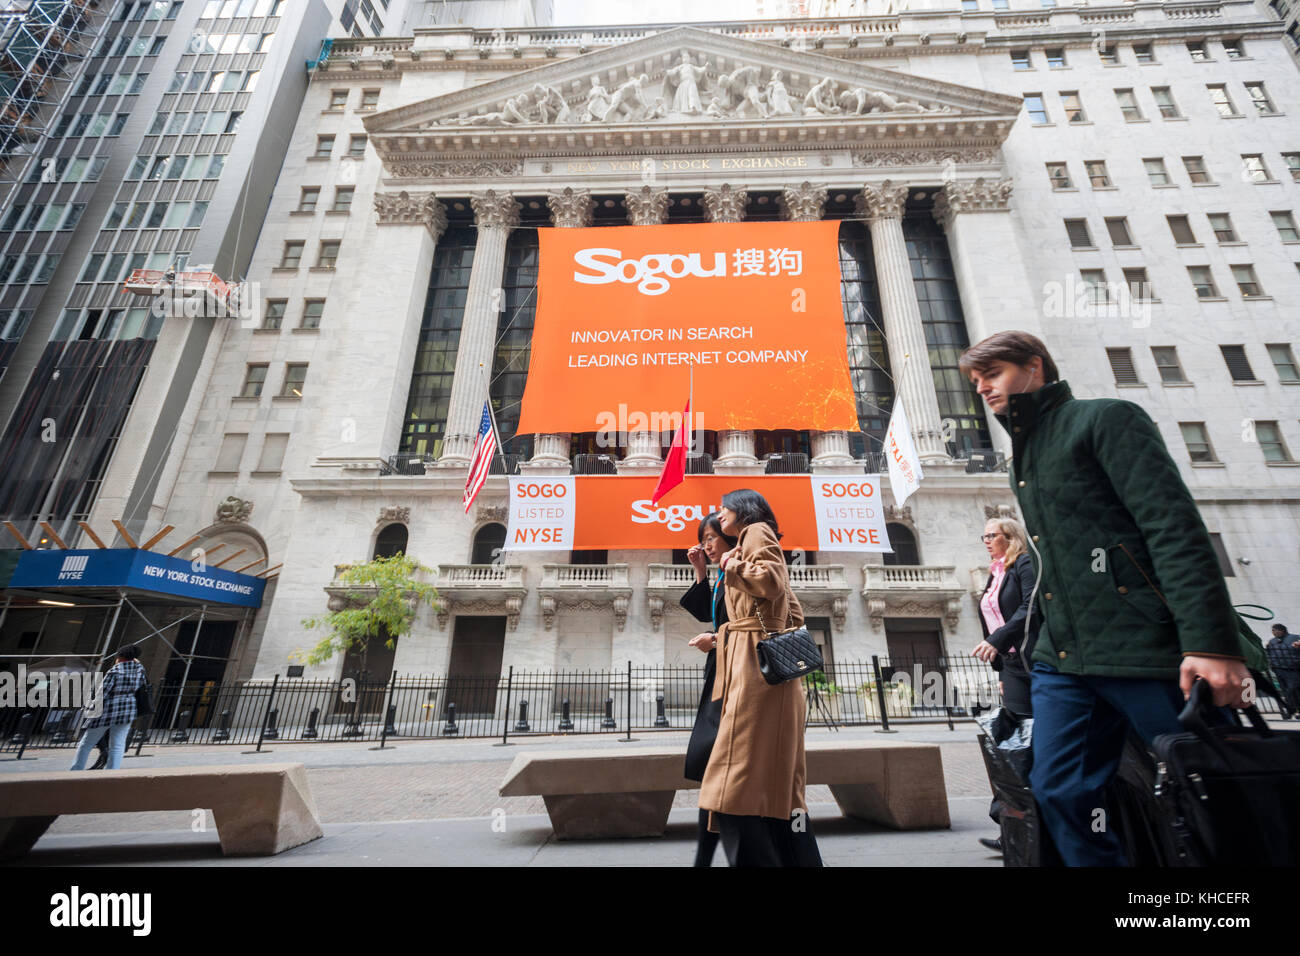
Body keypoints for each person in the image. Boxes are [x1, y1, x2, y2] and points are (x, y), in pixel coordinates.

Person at [959, 330, 1269, 866]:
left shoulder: (1105, 419)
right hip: (1064, 659)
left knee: (1211, 788)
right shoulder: (1022, 458)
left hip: (1142, 647)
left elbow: (1173, 528)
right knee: (1059, 792)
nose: (983, 389)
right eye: (976, 381)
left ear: (1034, 367)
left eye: (993, 374)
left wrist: (1211, 643)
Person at [698, 489, 822, 867]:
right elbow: (791, 609)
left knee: (732, 776)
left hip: (755, 674)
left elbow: (769, 583)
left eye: (724, 510)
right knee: (770, 780)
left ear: (742, 511)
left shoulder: (757, 533)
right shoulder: (749, 540)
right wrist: (725, 637)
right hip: (746, 667)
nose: (720, 516)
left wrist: (731, 567)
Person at [971, 515, 1039, 854]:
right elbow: (993, 616)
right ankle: (1014, 829)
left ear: (1009, 537)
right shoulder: (994, 574)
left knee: (1035, 744)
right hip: (1012, 667)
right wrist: (1000, 670)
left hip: (1036, 663)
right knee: (1012, 745)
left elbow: (1030, 607)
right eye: (982, 536)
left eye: (991, 535)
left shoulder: (1024, 564)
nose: (985, 541)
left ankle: (1036, 826)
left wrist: (997, 640)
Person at [680, 513, 736, 867]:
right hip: (721, 672)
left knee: (715, 765)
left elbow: (752, 627)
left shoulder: (739, 572)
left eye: (713, 536)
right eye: (704, 537)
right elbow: (711, 616)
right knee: (714, 768)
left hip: (735, 675)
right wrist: (701, 572)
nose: (707, 544)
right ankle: (706, 857)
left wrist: (715, 641)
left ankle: (704, 858)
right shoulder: (720, 577)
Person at [70, 645, 145, 771]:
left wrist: (91, 709)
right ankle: (111, 771)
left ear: (120, 657)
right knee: (118, 744)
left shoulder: (115, 671)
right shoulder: (140, 670)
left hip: (108, 710)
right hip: (128, 709)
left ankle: (76, 769)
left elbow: (102, 694)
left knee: (87, 742)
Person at [1266, 623, 1300, 718]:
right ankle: (1291, 710)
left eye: (1276, 630)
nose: (1274, 632)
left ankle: (1294, 709)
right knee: (1285, 691)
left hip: (1293, 668)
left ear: (1282, 630)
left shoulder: (1295, 637)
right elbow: (1269, 653)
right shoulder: (1272, 641)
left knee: (1293, 689)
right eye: (1273, 630)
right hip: (1278, 669)